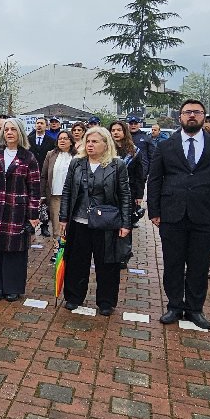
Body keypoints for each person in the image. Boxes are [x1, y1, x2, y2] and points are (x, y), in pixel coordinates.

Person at [147, 99, 210, 330]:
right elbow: (155, 179)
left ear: (204, 117)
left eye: (197, 112)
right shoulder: (165, 146)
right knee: (173, 263)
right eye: (187, 112)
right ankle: (174, 306)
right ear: (180, 117)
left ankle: (195, 309)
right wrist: (154, 210)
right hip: (172, 214)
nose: (192, 116)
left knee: (199, 265)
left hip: (206, 214)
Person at [59, 126, 133, 313]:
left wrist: (126, 223)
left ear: (106, 144)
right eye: (88, 141)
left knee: (107, 263)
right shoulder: (77, 163)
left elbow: (125, 195)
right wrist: (63, 218)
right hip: (79, 221)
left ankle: (106, 302)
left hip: (106, 223)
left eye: (95, 141)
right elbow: (67, 191)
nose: (90, 145)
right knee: (77, 262)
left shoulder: (117, 165)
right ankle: (74, 297)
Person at [0, 117, 43, 301]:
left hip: (17, 211)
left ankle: (12, 287)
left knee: (15, 250)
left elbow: (35, 189)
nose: (9, 133)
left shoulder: (28, 157)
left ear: (20, 132)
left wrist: (33, 214)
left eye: (13, 129)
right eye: (6, 130)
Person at [109, 120, 147, 266]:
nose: (116, 133)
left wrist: (139, 195)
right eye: (113, 130)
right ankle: (110, 253)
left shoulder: (134, 151)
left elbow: (139, 175)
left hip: (128, 193)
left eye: (119, 130)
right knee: (109, 222)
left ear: (125, 132)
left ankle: (124, 254)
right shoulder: (106, 149)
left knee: (125, 223)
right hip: (108, 193)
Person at [39, 130, 76, 241]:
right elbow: (44, 175)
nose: (62, 141)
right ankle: (57, 248)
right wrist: (42, 195)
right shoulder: (50, 154)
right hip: (55, 195)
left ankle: (70, 248)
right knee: (57, 224)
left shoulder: (77, 156)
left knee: (71, 225)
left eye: (65, 138)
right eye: (60, 139)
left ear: (71, 141)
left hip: (73, 196)